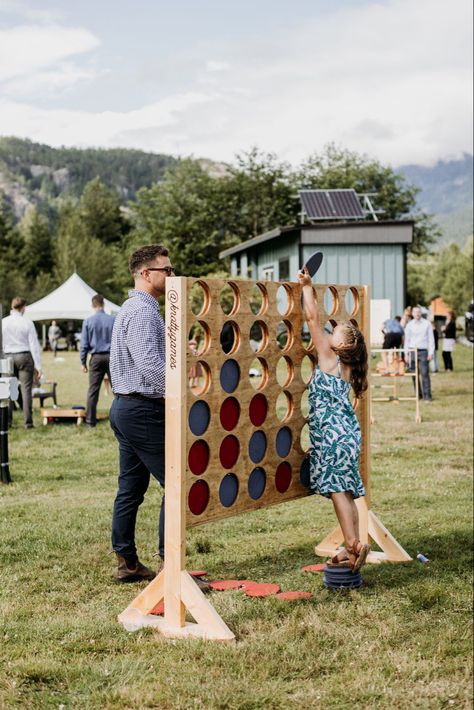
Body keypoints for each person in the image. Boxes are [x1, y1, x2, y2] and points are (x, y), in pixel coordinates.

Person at [297, 267, 370, 572]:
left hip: (331, 439)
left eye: (337, 330)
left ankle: (353, 542)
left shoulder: (328, 356)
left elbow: (312, 317)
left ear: (339, 346)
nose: (333, 327)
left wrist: (306, 286)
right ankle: (350, 552)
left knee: (338, 490)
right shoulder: (350, 367)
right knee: (348, 491)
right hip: (349, 436)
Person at [109, 244, 174, 583]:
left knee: (131, 488)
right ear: (146, 274)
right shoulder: (145, 310)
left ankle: (127, 563)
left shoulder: (133, 308)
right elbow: (149, 363)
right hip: (141, 409)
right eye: (167, 270)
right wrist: (179, 393)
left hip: (126, 407)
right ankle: (170, 567)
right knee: (177, 483)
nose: (172, 275)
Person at [1, 296, 42, 429]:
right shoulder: (27, 322)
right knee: (26, 390)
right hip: (24, 355)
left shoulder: (3, 322)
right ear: (23, 307)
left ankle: (7, 421)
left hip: (8, 357)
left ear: (12, 307)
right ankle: (28, 422)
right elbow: (34, 345)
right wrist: (38, 366)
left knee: (9, 389)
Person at [80, 294, 115, 427]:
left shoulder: (88, 321)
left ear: (92, 305)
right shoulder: (112, 319)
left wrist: (83, 362)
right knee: (117, 390)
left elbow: (84, 344)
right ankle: (119, 420)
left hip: (96, 357)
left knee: (93, 390)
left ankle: (90, 421)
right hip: (111, 356)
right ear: (103, 304)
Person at [404, 306, 435, 402]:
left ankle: (427, 396)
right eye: (415, 312)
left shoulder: (427, 324)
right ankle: (418, 395)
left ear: (421, 313)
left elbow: (431, 339)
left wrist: (431, 352)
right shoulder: (409, 325)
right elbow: (407, 340)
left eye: (418, 312)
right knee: (414, 374)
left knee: (425, 373)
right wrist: (406, 354)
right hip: (412, 351)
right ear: (412, 313)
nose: (417, 314)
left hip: (423, 351)